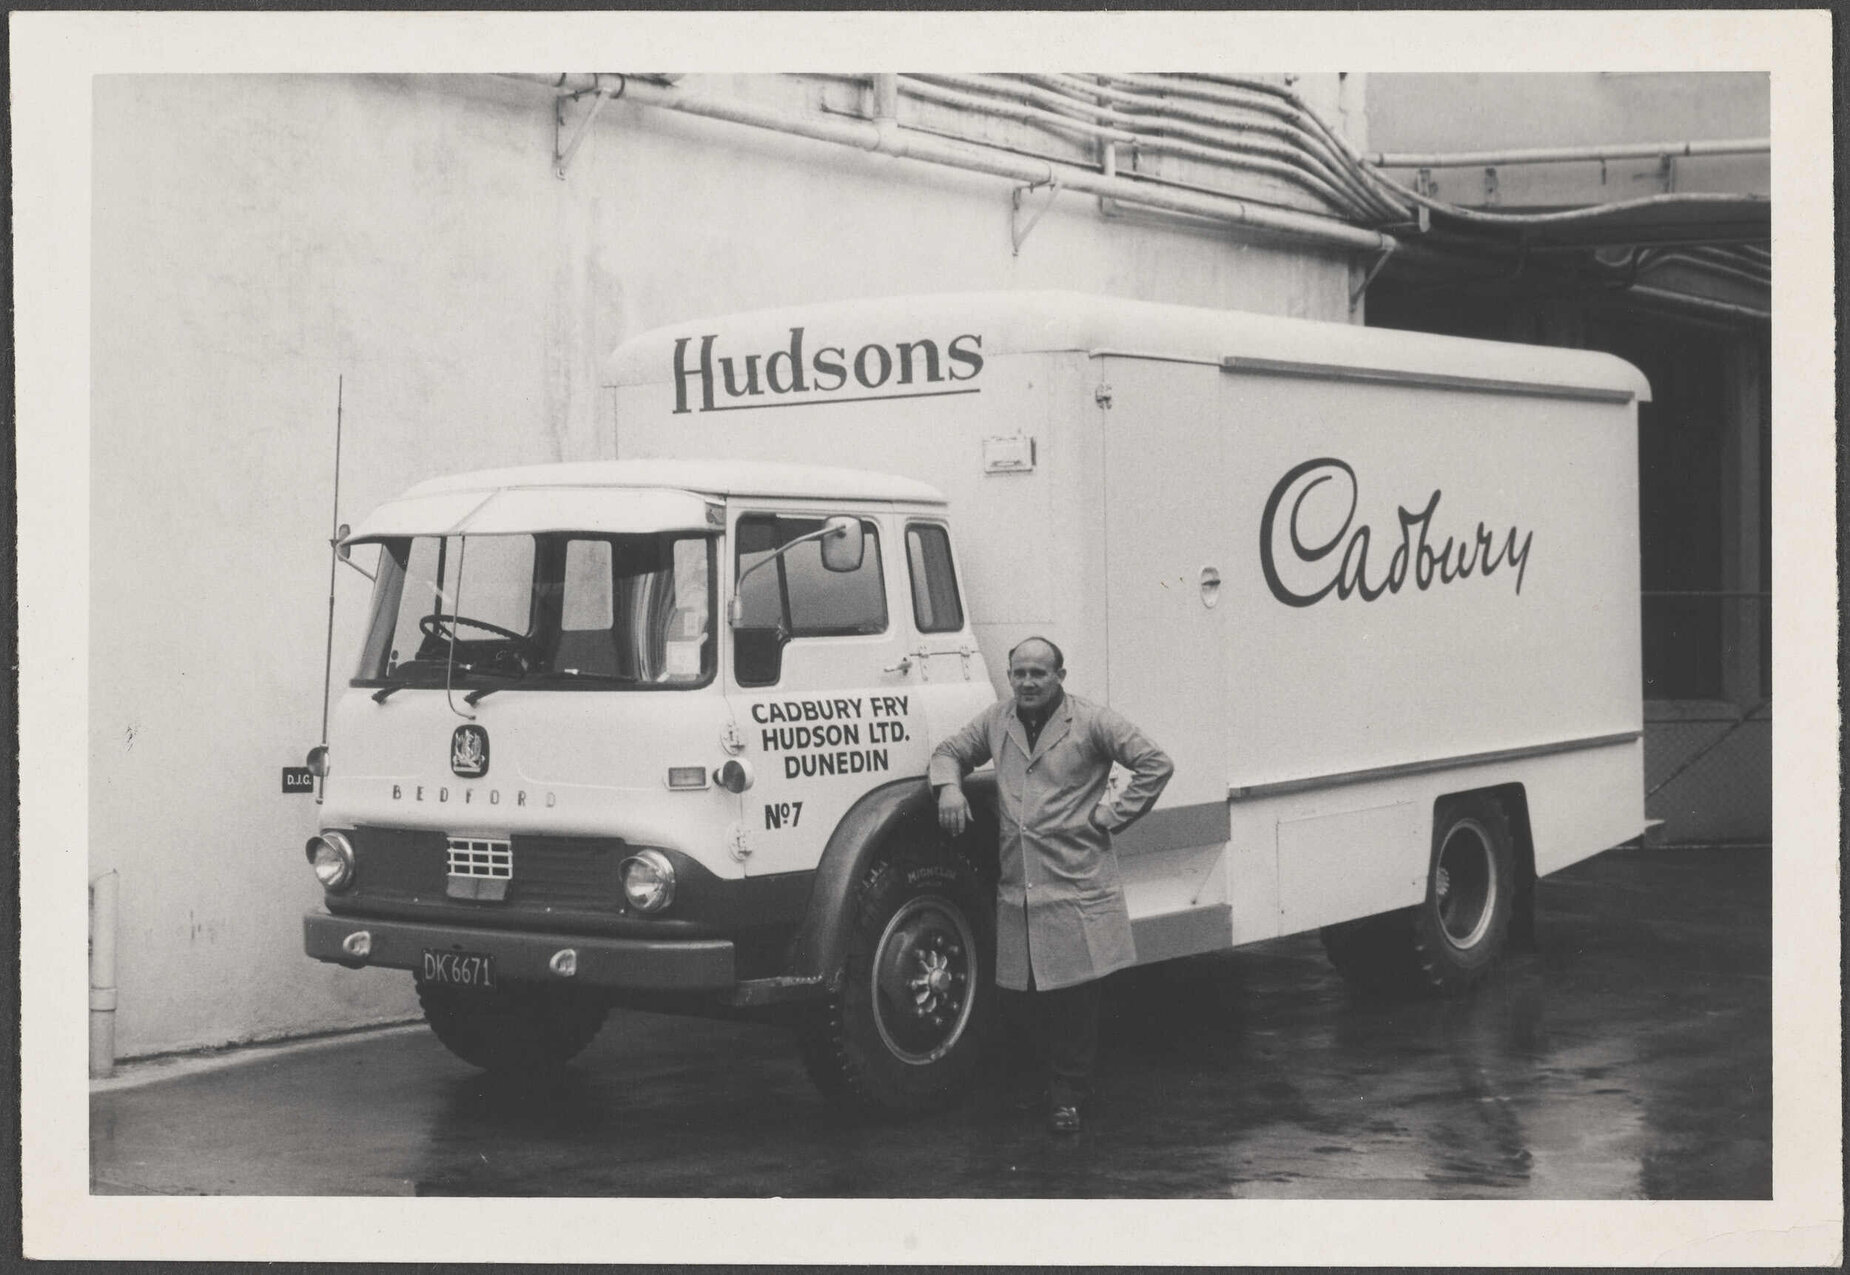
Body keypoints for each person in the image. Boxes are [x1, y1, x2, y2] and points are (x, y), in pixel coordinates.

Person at [929, 636, 1173, 1133]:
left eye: (1039, 673)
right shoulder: (998, 720)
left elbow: (1155, 763)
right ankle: (1038, 1090)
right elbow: (951, 750)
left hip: (1074, 880)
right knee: (1024, 997)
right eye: (1019, 673)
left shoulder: (1091, 721)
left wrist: (1113, 814)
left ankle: (1069, 1097)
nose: (1027, 683)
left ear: (1060, 676)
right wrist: (949, 787)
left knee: (1074, 998)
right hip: (1020, 885)